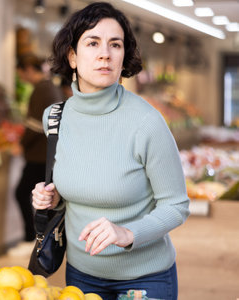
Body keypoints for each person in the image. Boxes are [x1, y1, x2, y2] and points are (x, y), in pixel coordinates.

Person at [30, 2, 190, 300]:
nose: (105, 53)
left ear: (123, 56)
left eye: (115, 44)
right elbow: (72, 194)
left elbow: (176, 206)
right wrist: (51, 198)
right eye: (93, 42)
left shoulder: (146, 122)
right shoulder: (54, 117)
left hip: (145, 279)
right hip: (80, 275)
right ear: (72, 56)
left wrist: (128, 234)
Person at [11, 53, 64, 256]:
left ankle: (31, 239)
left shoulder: (42, 90)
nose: (21, 77)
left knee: (24, 193)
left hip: (40, 155)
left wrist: (21, 144)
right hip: (47, 154)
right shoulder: (51, 87)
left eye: (21, 72)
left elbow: (35, 125)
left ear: (28, 69)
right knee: (47, 199)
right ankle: (46, 241)